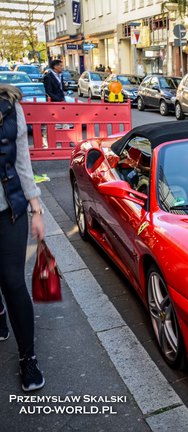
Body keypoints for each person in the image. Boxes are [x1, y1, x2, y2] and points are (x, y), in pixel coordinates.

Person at [0, 84, 46, 392]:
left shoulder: (9, 106)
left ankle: (28, 358)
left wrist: (36, 206)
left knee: (13, 281)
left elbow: (22, 161)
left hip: (8, 209)